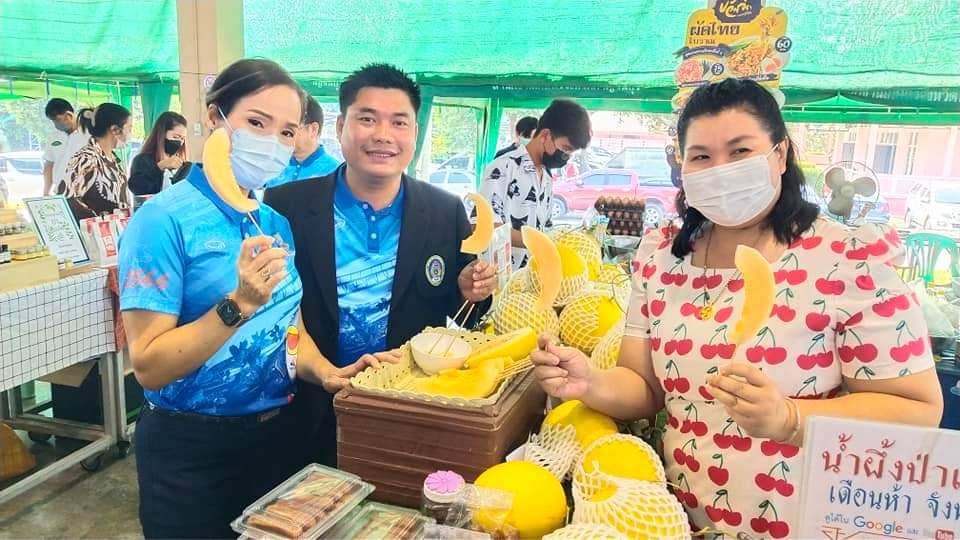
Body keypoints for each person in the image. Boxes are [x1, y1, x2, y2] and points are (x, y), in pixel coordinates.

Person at [530, 78, 943, 538]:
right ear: (682, 165)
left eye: (740, 151)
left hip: (804, 522)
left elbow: (918, 409)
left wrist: (791, 419)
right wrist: (591, 382)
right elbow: (645, 388)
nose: (720, 170)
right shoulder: (661, 256)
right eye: (701, 156)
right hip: (678, 521)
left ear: (780, 155)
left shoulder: (848, 259)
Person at [118, 58, 395, 540]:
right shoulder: (162, 221)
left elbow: (289, 328)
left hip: (276, 442)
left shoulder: (272, 223)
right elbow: (149, 364)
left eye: (287, 132)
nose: (272, 143)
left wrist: (327, 372)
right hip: (192, 452)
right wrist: (238, 305)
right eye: (256, 123)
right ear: (215, 117)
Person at [265, 63, 497, 466]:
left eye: (399, 122)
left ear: (415, 133)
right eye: (367, 119)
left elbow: (466, 313)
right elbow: (273, 313)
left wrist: (469, 291)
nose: (383, 135)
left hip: (406, 412)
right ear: (341, 127)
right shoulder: (286, 206)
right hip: (306, 411)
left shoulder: (444, 212)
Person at [476, 99, 591, 269]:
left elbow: (545, 227)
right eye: (565, 148)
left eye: (570, 153)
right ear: (545, 135)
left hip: (531, 277)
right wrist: (538, 242)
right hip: (497, 277)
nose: (565, 157)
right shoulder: (503, 168)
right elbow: (484, 226)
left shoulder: (546, 178)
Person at [60, 104, 131, 219]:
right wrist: (97, 222)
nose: (129, 134)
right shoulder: (86, 158)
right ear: (115, 130)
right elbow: (67, 198)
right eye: (129, 128)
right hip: (96, 228)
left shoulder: (112, 158)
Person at [266, 96, 340, 188]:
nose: (279, 134)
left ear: (313, 129)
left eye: (290, 128)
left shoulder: (335, 174)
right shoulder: (275, 166)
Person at [129, 111, 191, 195]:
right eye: (176, 137)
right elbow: (138, 189)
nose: (179, 142)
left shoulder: (180, 164)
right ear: (162, 134)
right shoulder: (142, 160)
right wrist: (160, 167)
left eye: (182, 139)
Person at [42, 98, 88, 196]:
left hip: (86, 191)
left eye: (58, 120)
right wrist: (45, 193)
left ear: (69, 115)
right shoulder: (53, 137)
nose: (56, 124)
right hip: (61, 191)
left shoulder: (90, 134)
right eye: (53, 121)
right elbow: (49, 166)